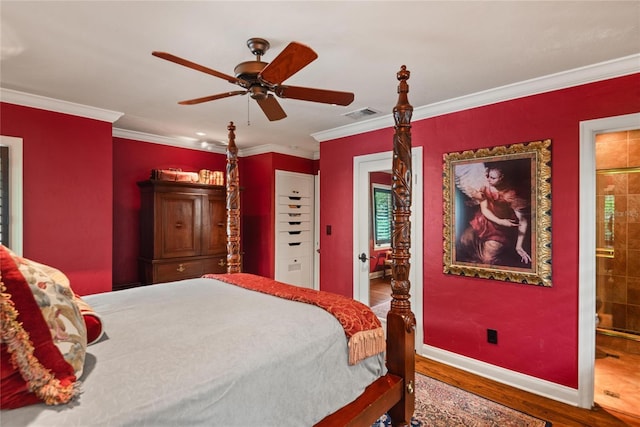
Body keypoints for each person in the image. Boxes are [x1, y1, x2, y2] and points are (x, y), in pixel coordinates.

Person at [457, 163, 532, 266]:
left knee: (488, 258)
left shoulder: (511, 194)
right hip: (485, 221)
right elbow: (485, 209)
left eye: (493, 178)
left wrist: (519, 246)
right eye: (487, 176)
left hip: (503, 229)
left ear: (501, 178)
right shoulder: (486, 187)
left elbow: (523, 222)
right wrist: (499, 221)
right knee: (465, 240)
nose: (488, 180)